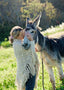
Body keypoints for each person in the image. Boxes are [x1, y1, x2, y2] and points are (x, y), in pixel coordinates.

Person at [9, 26, 39, 90]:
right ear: (18, 35)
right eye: (22, 34)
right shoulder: (21, 45)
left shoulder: (16, 43)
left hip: (22, 70)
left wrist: (32, 46)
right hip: (29, 70)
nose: (24, 35)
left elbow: (29, 51)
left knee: (25, 88)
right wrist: (31, 40)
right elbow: (31, 53)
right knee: (30, 88)